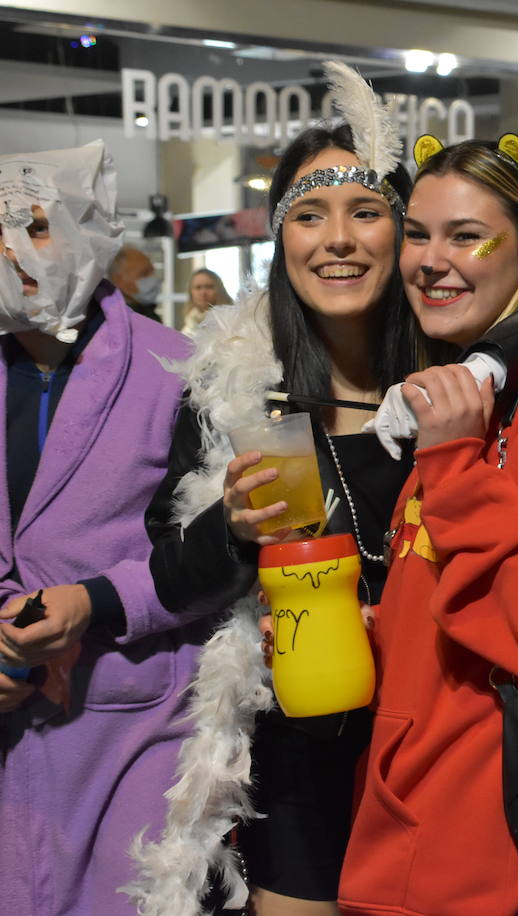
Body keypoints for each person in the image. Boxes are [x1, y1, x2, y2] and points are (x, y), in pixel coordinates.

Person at [129, 67, 518, 916]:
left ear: (404, 235)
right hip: (302, 761)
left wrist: (485, 362)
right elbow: (169, 574)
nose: (339, 240)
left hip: (445, 753)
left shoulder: (448, 364)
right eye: (309, 217)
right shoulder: (234, 392)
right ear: (281, 243)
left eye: (367, 213)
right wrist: (236, 531)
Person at [336, 136, 518, 916]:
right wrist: (367, 628)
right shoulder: (472, 393)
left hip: (486, 851)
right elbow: (461, 594)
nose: (431, 261)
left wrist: (456, 466)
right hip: (418, 826)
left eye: (467, 236)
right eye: (419, 233)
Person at [0, 143, 195, 915]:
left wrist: (99, 601)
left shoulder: (179, 369)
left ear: (94, 230)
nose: (12, 250)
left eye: (37, 226)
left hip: (133, 720)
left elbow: (214, 552)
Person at [109, 244, 162, 322]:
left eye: (152, 271)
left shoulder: (148, 315)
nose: (153, 279)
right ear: (118, 280)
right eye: (144, 274)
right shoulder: (121, 321)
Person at [181, 266, 231, 334]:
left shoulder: (230, 321)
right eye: (198, 287)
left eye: (209, 287)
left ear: (219, 290)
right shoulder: (188, 328)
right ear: (191, 292)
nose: (203, 292)